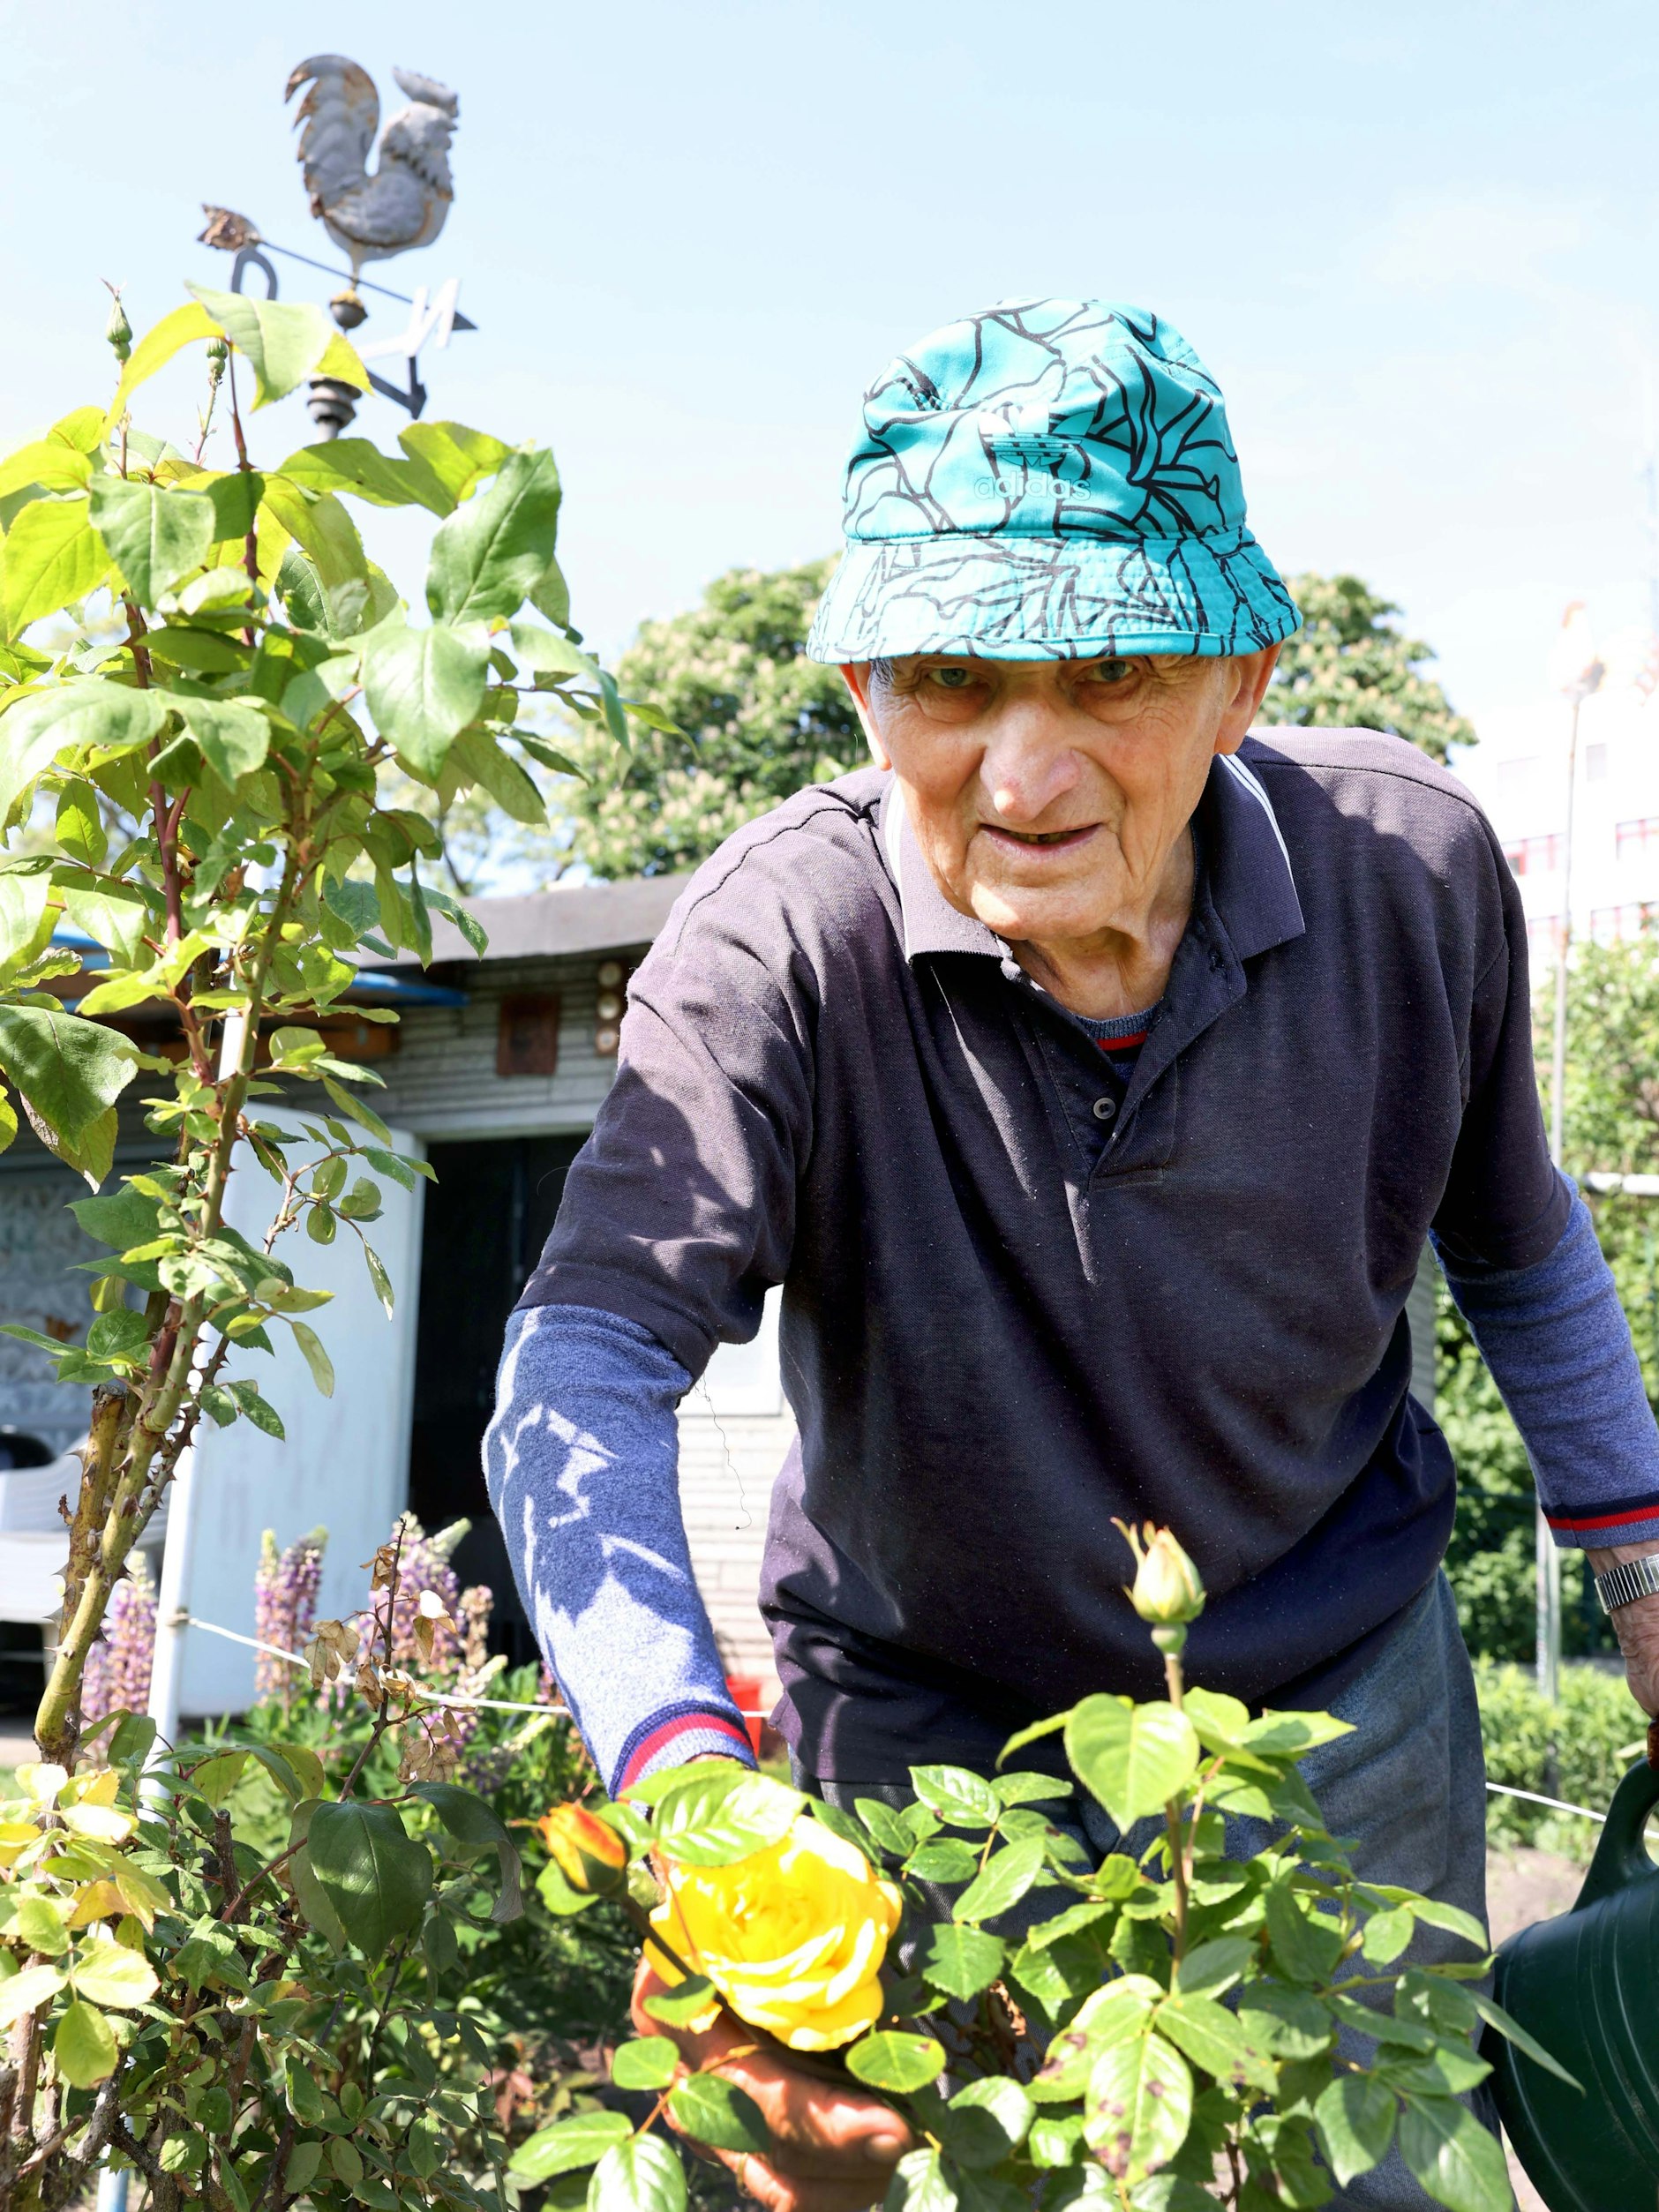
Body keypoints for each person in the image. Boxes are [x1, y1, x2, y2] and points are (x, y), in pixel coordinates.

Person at [485, 298, 1659, 2211]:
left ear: (1242, 679)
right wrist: (684, 1775)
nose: (1022, 779)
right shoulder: (778, 945)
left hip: (1338, 1700)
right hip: (928, 1723)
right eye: (950, 679)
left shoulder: (1414, 872)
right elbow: (585, 1360)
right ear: (863, 685)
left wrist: (1645, 1591)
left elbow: (1522, 1255)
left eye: (1110, 671)